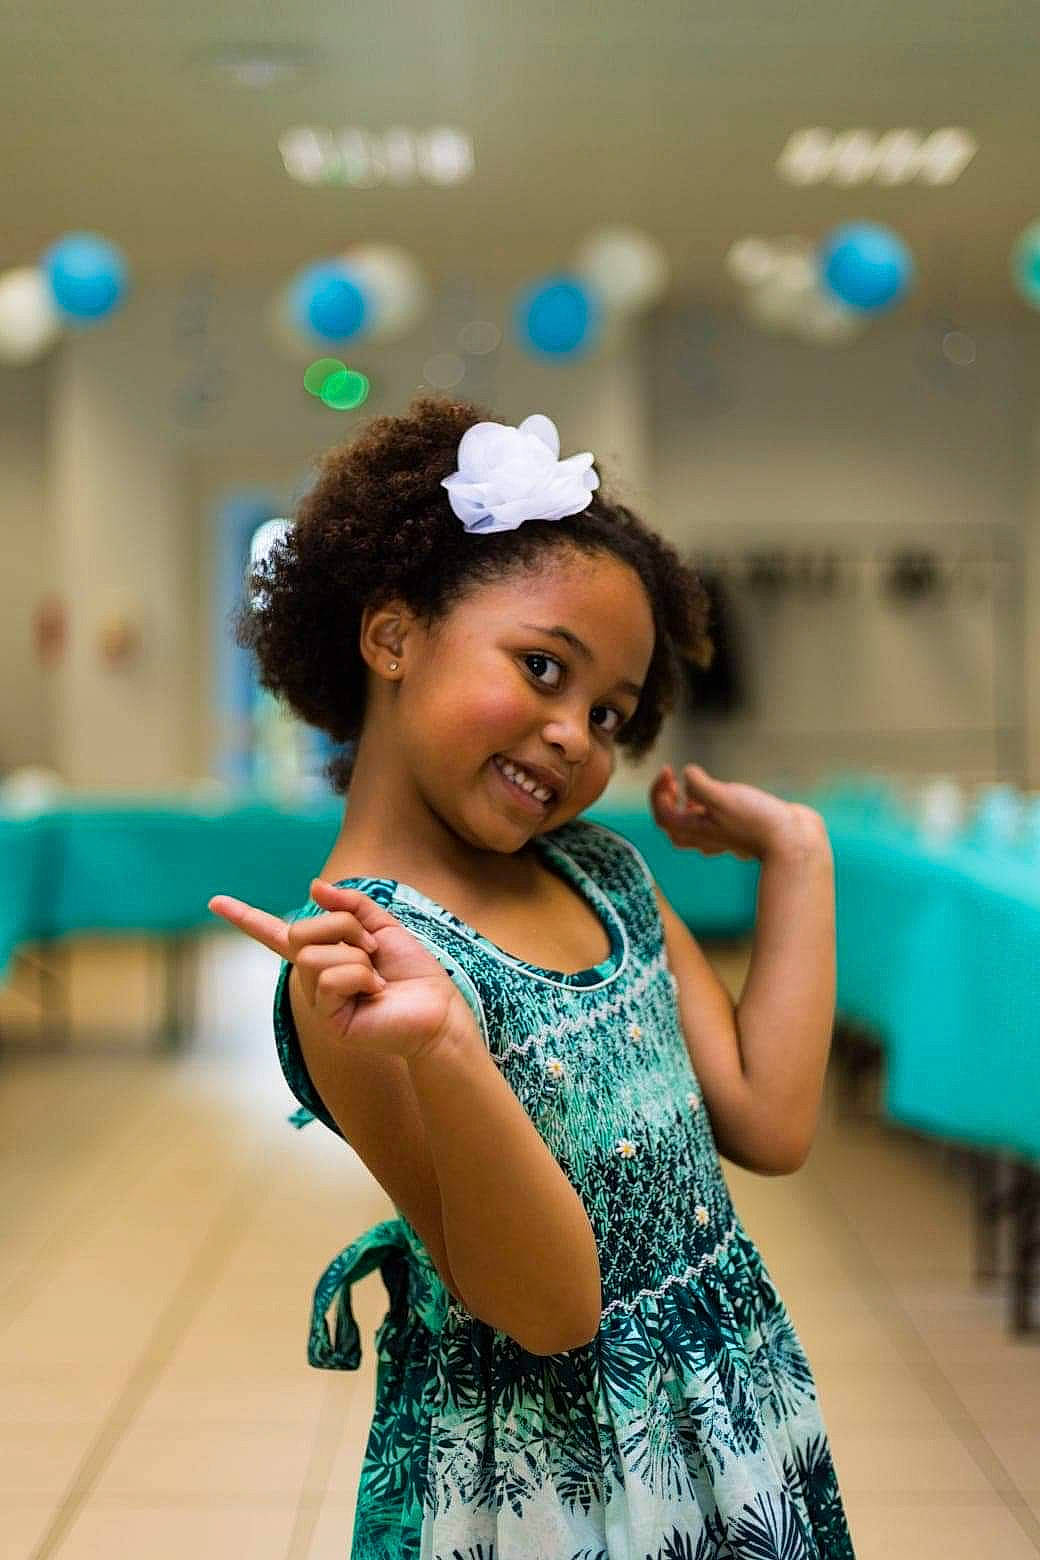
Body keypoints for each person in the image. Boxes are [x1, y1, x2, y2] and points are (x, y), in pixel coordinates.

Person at [208, 397, 855, 1559]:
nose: (576, 735)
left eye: (608, 712)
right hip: (551, 1483)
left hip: (730, 1413)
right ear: (391, 638)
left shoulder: (601, 872)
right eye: (542, 667)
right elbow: (552, 1312)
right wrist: (450, 1049)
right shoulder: (353, 973)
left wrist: (796, 856)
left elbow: (767, 1117)